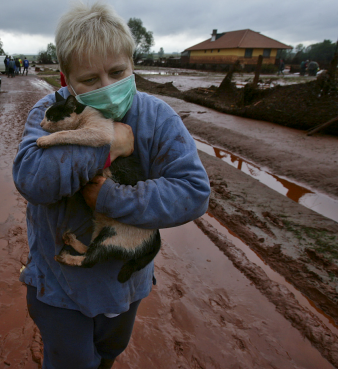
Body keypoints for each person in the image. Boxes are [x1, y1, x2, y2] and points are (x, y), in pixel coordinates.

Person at [12, 3, 210, 368]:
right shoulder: (49, 114)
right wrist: (108, 145)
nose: (109, 87)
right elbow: (32, 180)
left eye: (118, 72)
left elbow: (193, 192)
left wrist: (111, 197)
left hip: (126, 286)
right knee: (72, 362)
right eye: (90, 79)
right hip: (59, 285)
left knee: (108, 354)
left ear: (132, 66)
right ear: (65, 81)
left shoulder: (156, 117)